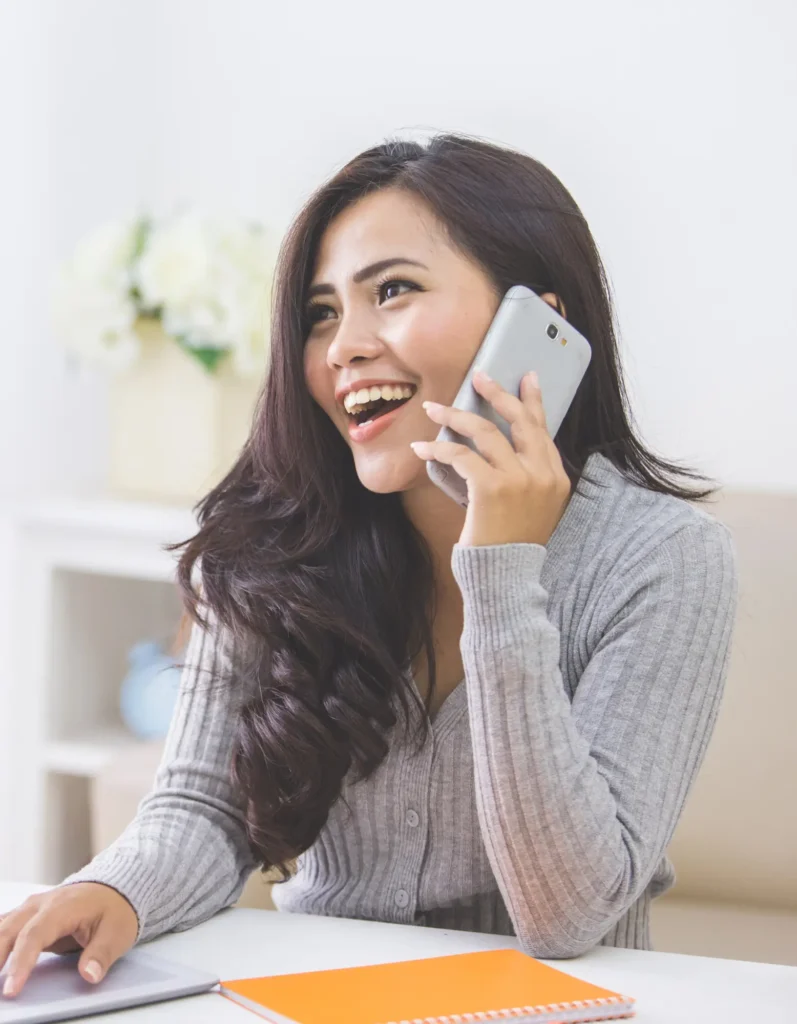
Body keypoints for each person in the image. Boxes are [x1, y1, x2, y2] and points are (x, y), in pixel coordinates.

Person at [0, 133, 738, 998]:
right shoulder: (278, 534)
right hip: (314, 997)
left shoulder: (662, 561)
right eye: (321, 313)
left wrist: (501, 570)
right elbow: (201, 809)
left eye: (392, 290)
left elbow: (565, 914)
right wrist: (111, 889)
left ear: (538, 327)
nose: (342, 347)